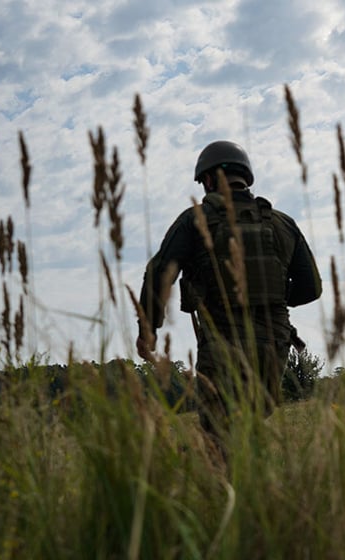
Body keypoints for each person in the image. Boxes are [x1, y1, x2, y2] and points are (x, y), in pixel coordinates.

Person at [137, 140, 322, 454]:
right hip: (273, 349)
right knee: (250, 426)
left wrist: (148, 331)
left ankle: (229, 496)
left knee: (219, 434)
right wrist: (270, 296)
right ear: (245, 178)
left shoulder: (195, 220)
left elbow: (158, 273)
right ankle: (254, 490)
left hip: (222, 347)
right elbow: (311, 288)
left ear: (208, 180)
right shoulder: (281, 223)